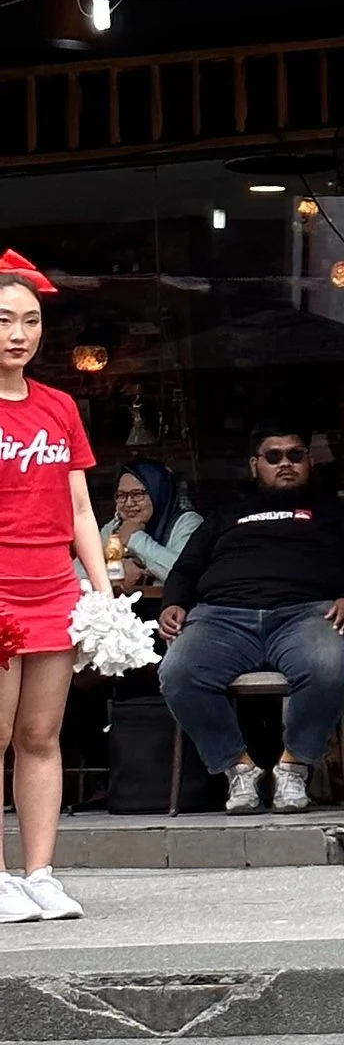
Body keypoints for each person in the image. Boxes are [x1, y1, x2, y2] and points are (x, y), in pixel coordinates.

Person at [157, 422, 344, 815]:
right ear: (255, 464)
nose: (285, 464)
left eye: (295, 455)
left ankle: (294, 766)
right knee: (178, 672)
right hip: (222, 619)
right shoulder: (226, 515)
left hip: (307, 615)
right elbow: (185, 570)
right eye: (273, 456)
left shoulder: (335, 513)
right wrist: (173, 602)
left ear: (309, 462)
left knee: (325, 664)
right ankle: (238, 768)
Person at [0, 252, 108, 922]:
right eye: (4, 320)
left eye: (31, 321)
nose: (18, 334)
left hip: (54, 588)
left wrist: (99, 592)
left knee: (41, 734)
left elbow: (79, 511)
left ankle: (40, 872)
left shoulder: (59, 405)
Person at [106, 460, 202, 605]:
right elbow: (78, 571)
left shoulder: (187, 522)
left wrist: (135, 539)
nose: (128, 504)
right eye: (121, 495)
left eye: (137, 494)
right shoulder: (115, 526)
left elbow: (184, 575)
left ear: (158, 491)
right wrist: (115, 575)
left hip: (174, 614)